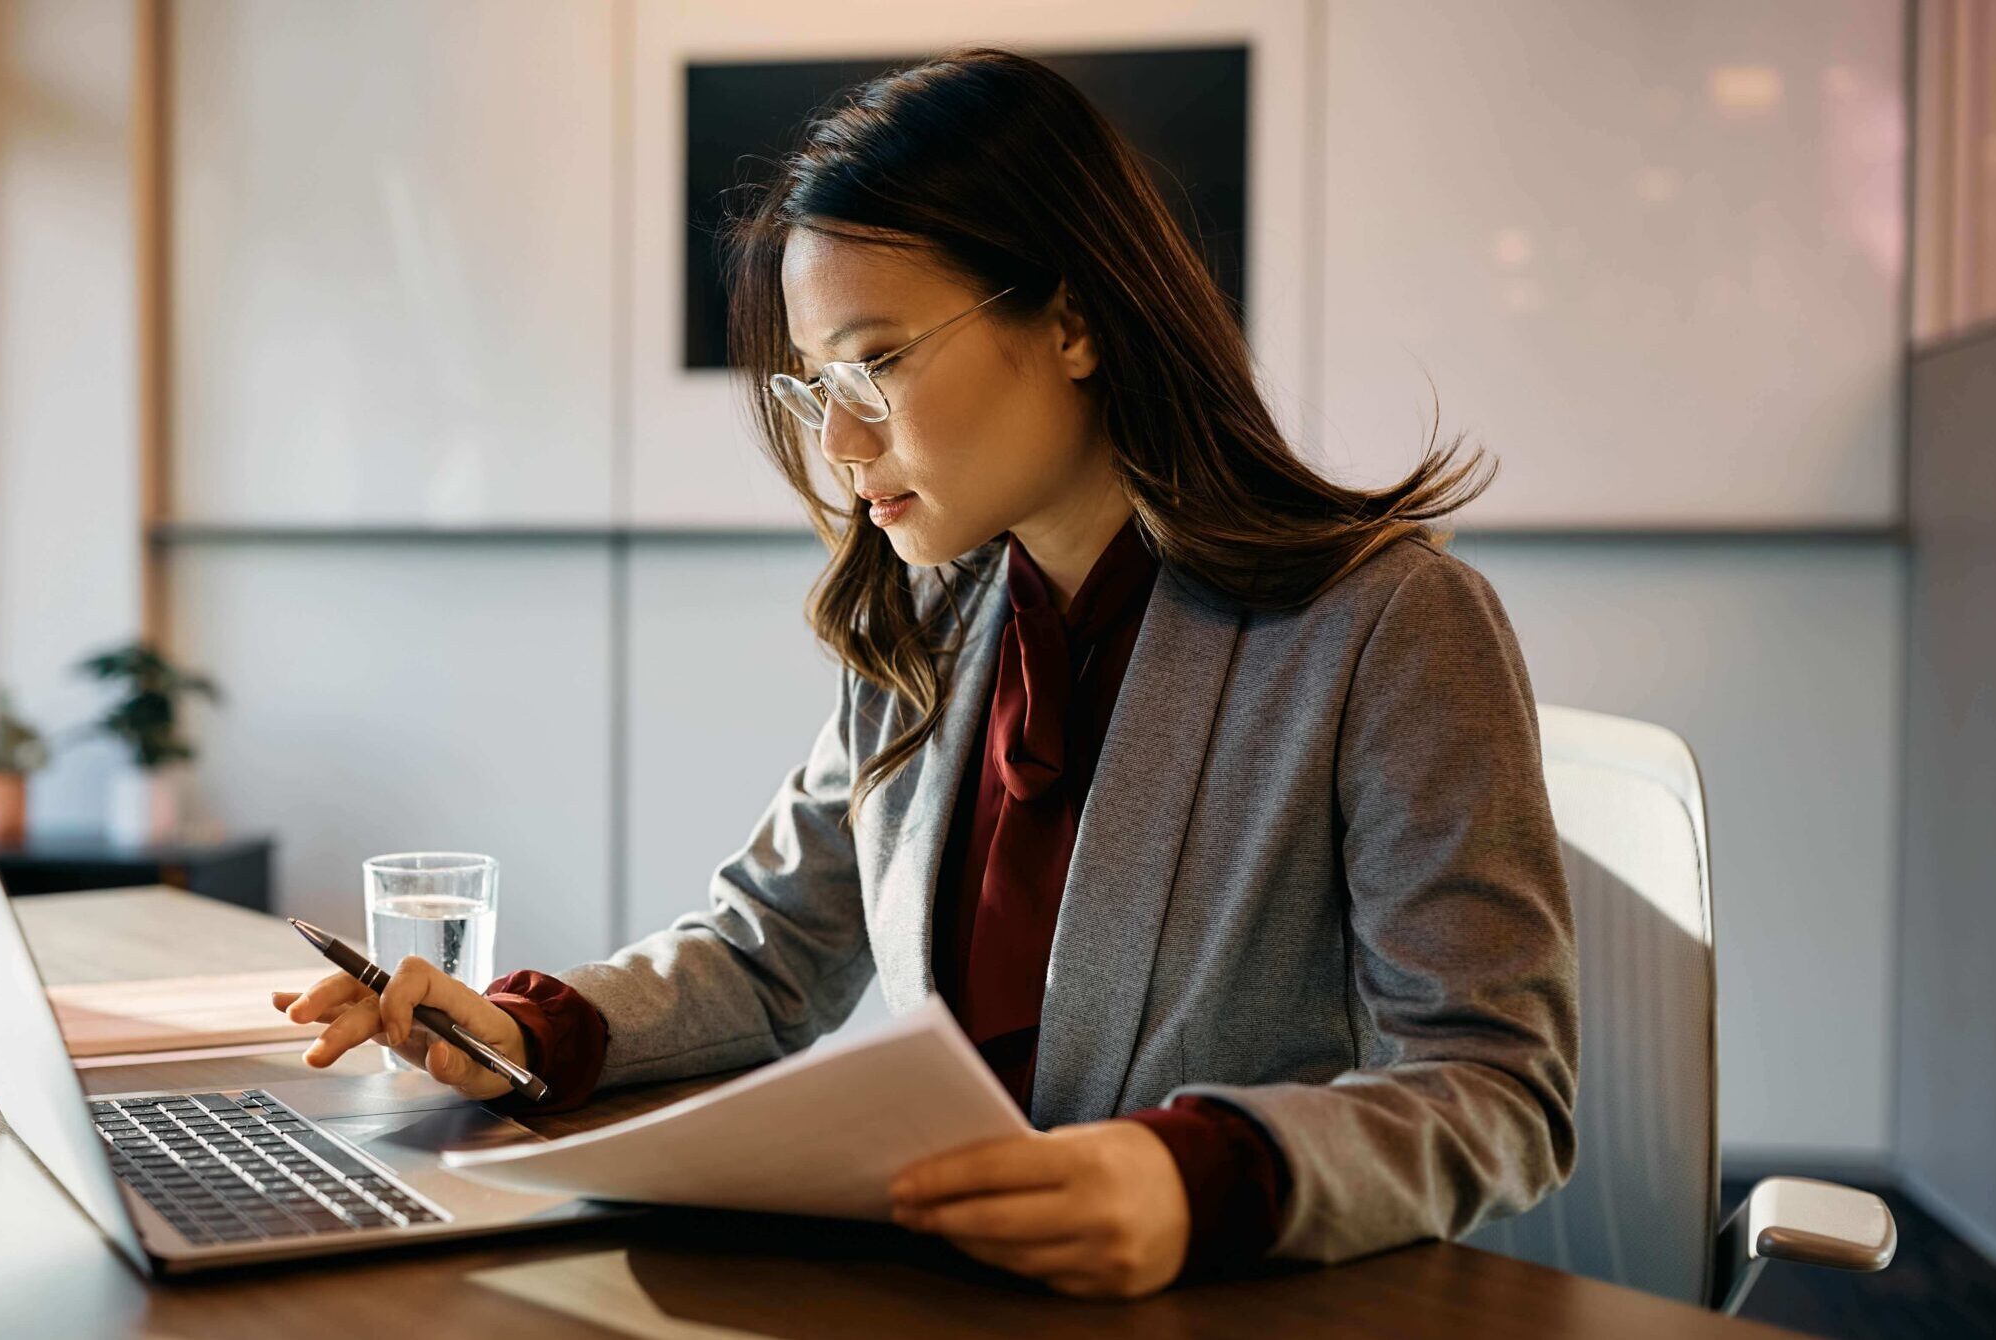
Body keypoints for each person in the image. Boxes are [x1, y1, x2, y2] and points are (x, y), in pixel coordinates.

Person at [273, 47, 1575, 1300]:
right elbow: (771, 955)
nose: (839, 440)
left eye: (878, 364)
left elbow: (1496, 1086)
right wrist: (521, 1033)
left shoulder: (1390, 626)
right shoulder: (933, 620)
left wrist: (1194, 1178)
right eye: (815, 386)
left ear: (1071, 319)